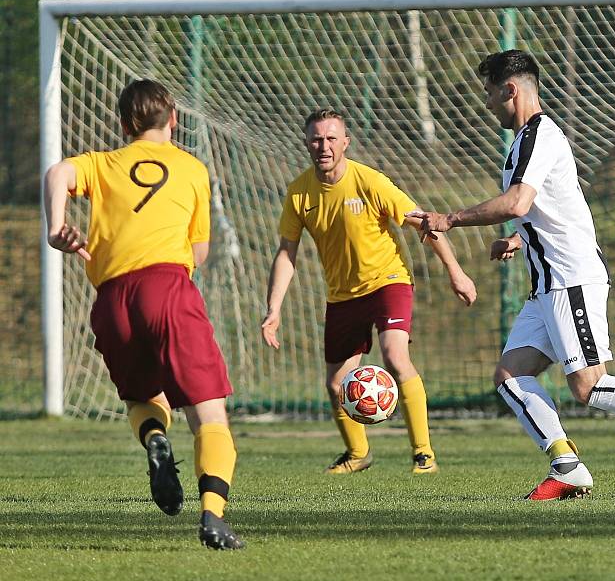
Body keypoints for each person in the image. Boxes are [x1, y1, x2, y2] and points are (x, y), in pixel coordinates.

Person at [409, 50, 615, 499]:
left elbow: (519, 203)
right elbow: (555, 211)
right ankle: (567, 465)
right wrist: (519, 241)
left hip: (569, 278)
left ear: (510, 90)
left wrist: (450, 218)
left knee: (589, 386)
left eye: (489, 93)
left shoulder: (539, 135)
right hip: (547, 283)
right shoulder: (525, 140)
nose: (487, 104)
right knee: (509, 376)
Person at [44, 79, 244, 550]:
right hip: (167, 288)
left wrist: (56, 227)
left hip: (112, 300)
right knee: (209, 416)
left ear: (123, 122)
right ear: (173, 120)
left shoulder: (103, 163)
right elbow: (199, 247)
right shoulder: (193, 168)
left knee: (141, 398)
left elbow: (58, 173)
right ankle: (213, 516)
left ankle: (155, 438)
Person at [261, 108, 477, 475]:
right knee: (335, 383)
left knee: (395, 356)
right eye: (316, 139)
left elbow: (424, 223)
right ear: (306, 143)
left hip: (387, 282)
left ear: (346, 142)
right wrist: (274, 309)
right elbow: (287, 252)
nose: (323, 146)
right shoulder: (299, 193)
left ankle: (423, 453)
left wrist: (456, 272)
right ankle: (358, 454)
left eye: (331, 138)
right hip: (342, 295)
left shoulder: (369, 182)